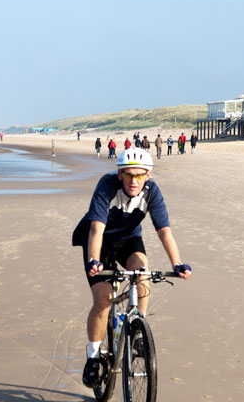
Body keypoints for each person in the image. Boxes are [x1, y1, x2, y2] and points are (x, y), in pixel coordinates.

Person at [71, 148, 191, 389]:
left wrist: (176, 263)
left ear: (148, 175)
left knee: (143, 272)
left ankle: (137, 330)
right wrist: (94, 260)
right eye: (128, 175)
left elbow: (164, 231)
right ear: (119, 174)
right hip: (99, 241)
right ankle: (93, 357)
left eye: (139, 175)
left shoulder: (152, 192)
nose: (133, 181)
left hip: (128, 240)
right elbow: (96, 229)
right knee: (104, 300)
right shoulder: (106, 186)